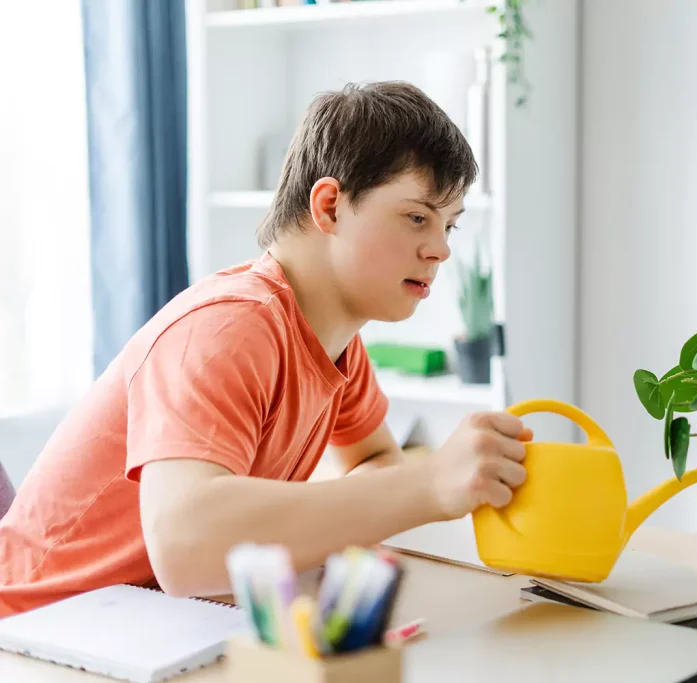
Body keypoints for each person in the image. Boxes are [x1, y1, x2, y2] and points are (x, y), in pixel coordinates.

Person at [0, 81, 531, 617]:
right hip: (34, 628)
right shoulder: (228, 327)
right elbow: (183, 546)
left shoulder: (338, 342)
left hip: (153, 624)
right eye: (417, 217)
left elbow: (372, 459)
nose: (440, 248)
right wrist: (429, 484)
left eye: (450, 224)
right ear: (329, 206)